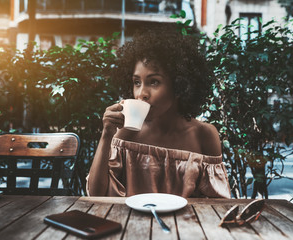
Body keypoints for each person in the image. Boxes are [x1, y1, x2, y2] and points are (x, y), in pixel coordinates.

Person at [86, 26, 231, 198]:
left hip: (187, 225)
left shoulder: (204, 135)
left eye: (154, 82)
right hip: (131, 223)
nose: (141, 94)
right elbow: (95, 196)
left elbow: (219, 205)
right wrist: (106, 134)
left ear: (179, 85)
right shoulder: (126, 134)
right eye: (137, 82)